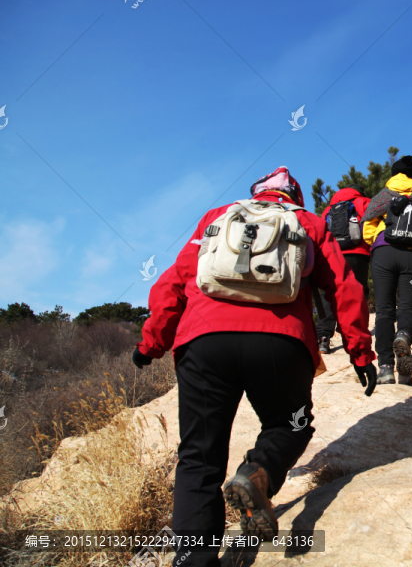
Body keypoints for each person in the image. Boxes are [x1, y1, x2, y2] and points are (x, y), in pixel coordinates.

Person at [132, 167, 376, 567]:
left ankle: (194, 560)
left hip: (204, 342)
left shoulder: (217, 217)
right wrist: (359, 351)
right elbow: (344, 287)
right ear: (295, 196)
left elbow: (174, 281)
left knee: (199, 456)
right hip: (281, 343)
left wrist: (150, 343)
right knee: (291, 424)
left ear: (256, 194)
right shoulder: (308, 223)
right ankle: (259, 471)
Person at [361, 155, 412, 385]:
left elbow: (367, 227)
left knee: (385, 310)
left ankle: (386, 368)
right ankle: (404, 336)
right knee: (409, 306)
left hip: (383, 253)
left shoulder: (383, 196)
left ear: (394, 174)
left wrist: (377, 244)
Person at [316, 184, 371, 354]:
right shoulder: (364, 202)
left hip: (333, 253)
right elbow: (371, 226)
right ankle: (353, 337)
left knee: (329, 294)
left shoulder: (329, 208)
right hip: (358, 253)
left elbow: (322, 230)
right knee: (358, 293)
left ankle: (323, 338)